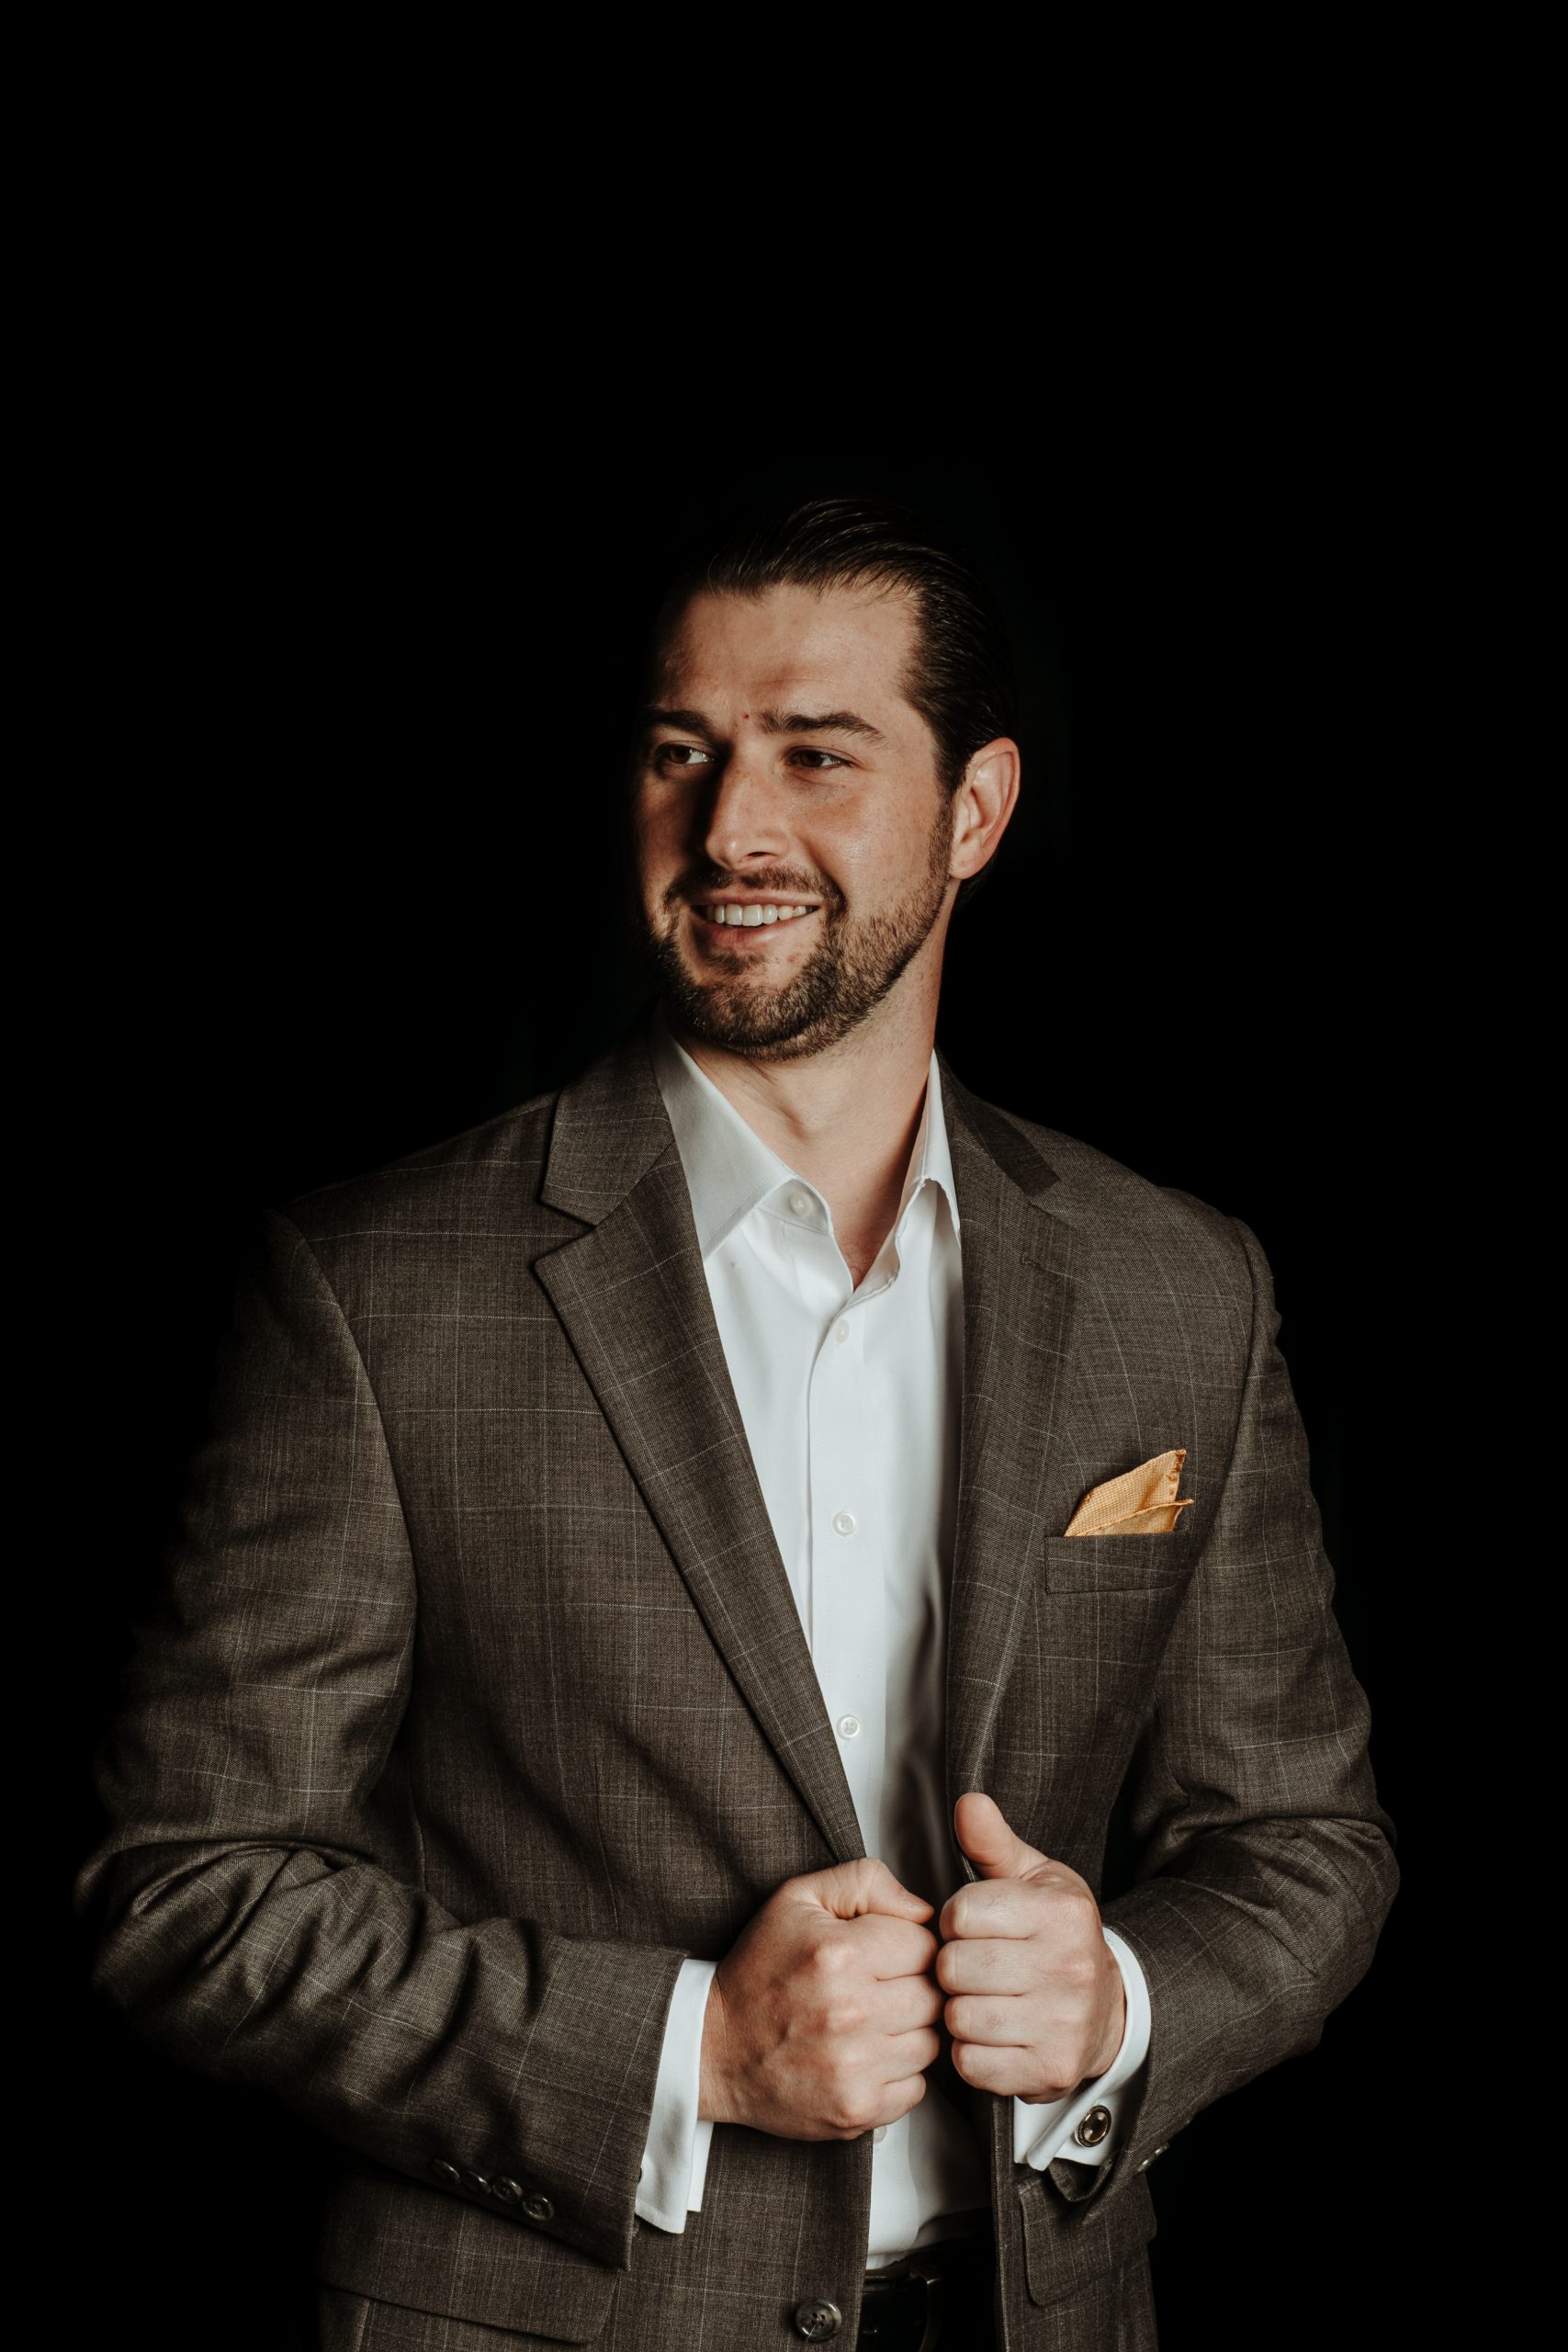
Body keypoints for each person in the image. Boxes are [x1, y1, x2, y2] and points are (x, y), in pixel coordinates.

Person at [78, 497, 1397, 2352]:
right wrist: (687, 2045)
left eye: (812, 753)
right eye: (679, 752)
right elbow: (187, 1886)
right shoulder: (375, 1290)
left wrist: (1118, 1999)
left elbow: (1303, 1841)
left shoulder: (1182, 1284)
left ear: (976, 810)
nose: (729, 829)